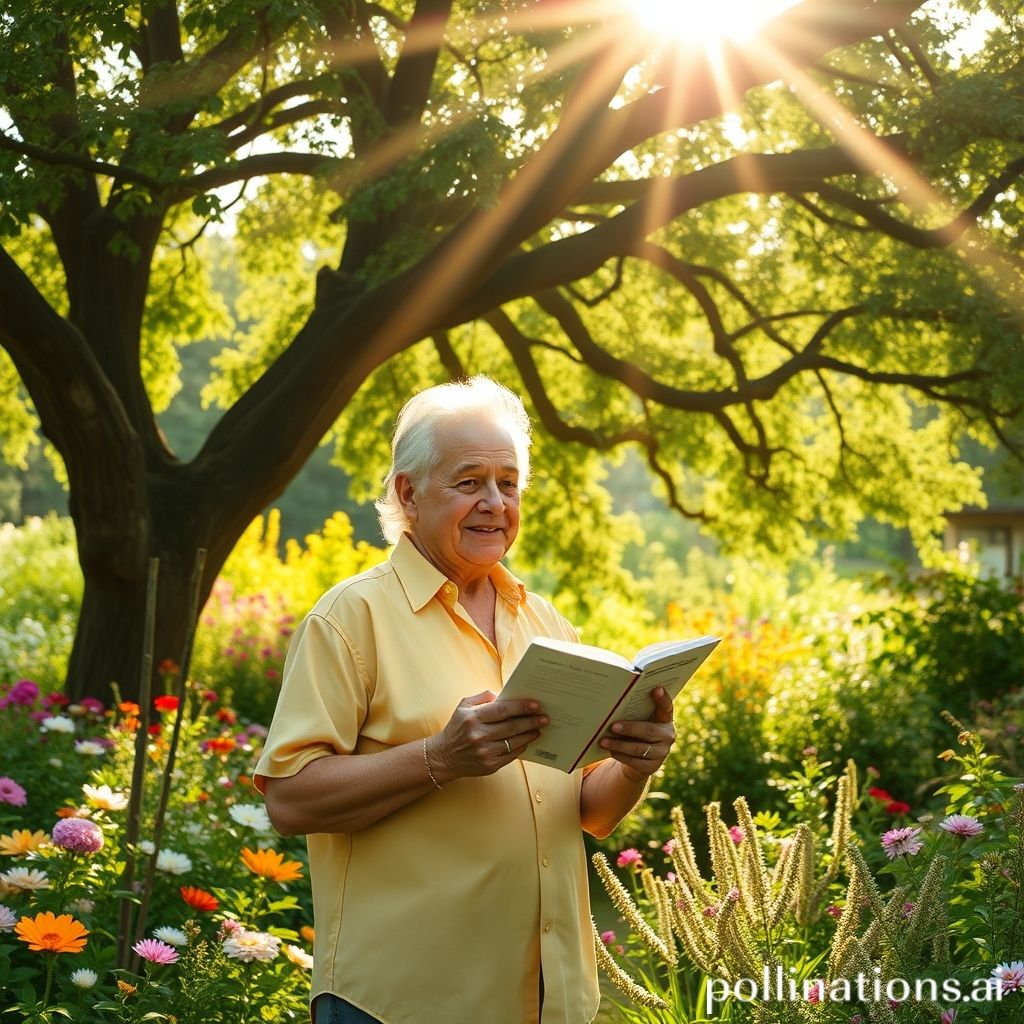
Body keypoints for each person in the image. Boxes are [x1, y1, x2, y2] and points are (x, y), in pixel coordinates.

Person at [254, 376, 678, 1024]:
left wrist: (635, 764)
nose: (493, 503)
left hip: (548, 1002)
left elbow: (591, 811)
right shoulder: (350, 617)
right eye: (469, 480)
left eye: (507, 483)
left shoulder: (545, 622)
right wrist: (441, 756)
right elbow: (288, 799)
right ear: (408, 492)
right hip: (401, 1003)